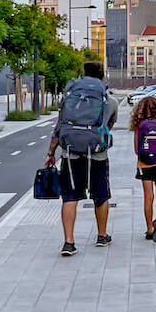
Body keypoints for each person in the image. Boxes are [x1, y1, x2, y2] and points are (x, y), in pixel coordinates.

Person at [44, 62, 118, 257]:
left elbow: (59, 127)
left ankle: (69, 242)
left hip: (70, 154)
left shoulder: (70, 98)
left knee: (69, 197)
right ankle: (102, 236)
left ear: (83, 74)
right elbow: (108, 127)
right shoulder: (109, 102)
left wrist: (51, 154)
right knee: (101, 195)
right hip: (97, 155)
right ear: (103, 77)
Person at [130, 96, 156, 243]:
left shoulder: (139, 125)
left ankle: (149, 229)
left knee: (148, 197)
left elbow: (136, 149)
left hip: (144, 165)